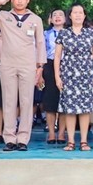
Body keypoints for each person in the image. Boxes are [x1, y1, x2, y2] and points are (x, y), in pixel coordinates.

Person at [0, 0, 46, 152]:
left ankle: (23, 139)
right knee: (8, 102)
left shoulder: (35, 19)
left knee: (26, 102)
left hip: (27, 64)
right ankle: (9, 138)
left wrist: (40, 66)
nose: (19, 1)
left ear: (28, 0)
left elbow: (40, 43)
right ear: (11, 0)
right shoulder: (3, 16)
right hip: (7, 64)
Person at [54, 3, 93, 152]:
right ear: (70, 15)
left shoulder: (91, 33)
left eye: (81, 12)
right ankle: (70, 142)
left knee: (85, 109)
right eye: (75, 12)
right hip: (68, 75)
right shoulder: (63, 33)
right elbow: (57, 57)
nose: (78, 15)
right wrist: (57, 76)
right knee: (69, 109)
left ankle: (83, 141)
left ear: (84, 15)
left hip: (87, 75)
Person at [42, 9, 67, 144]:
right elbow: (40, 52)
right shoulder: (44, 34)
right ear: (50, 19)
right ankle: (51, 133)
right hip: (49, 66)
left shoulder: (70, 33)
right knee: (50, 100)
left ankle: (62, 133)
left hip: (67, 66)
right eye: (54, 15)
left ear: (65, 18)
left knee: (64, 100)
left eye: (60, 15)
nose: (57, 17)